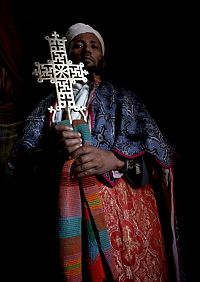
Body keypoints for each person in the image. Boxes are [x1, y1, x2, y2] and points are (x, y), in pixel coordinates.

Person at [8, 23, 183, 282]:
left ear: (103, 57)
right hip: (65, 221)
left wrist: (116, 160)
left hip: (122, 220)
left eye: (94, 45)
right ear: (66, 54)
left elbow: (163, 160)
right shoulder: (47, 106)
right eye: (78, 45)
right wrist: (54, 150)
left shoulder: (125, 99)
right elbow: (19, 164)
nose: (86, 50)